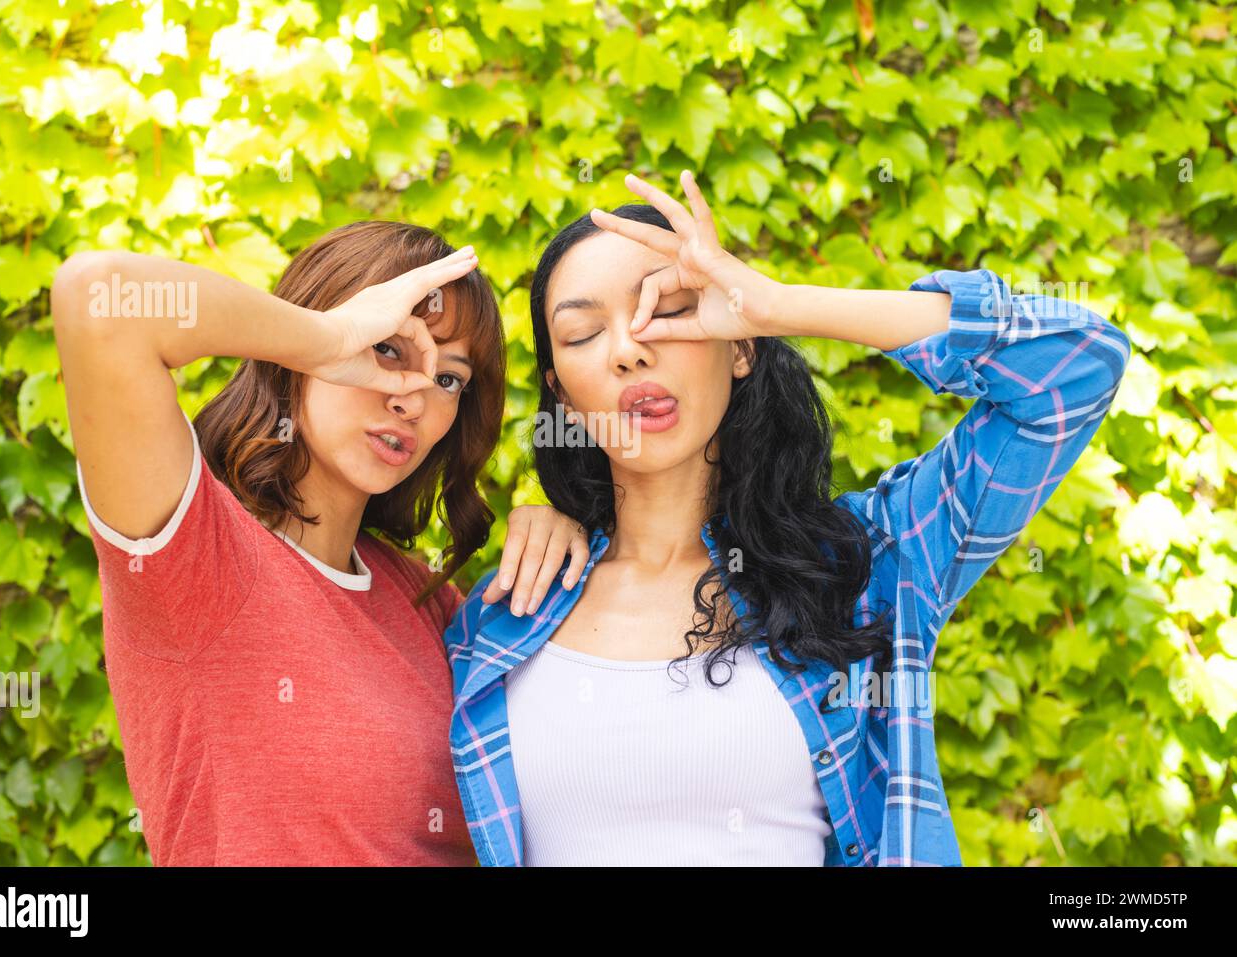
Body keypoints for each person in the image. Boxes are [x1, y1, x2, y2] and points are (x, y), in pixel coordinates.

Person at [444, 171, 1131, 866]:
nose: (628, 348)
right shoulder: (505, 616)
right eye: (584, 333)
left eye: (670, 308)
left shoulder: (868, 567)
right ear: (561, 393)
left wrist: (780, 303)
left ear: (741, 344)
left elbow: (1076, 367)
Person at [51, 221, 589, 865]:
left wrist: (567, 530)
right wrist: (328, 339)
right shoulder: (195, 558)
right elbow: (99, 299)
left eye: (449, 380)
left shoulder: (424, 601)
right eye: (390, 350)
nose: (414, 397)